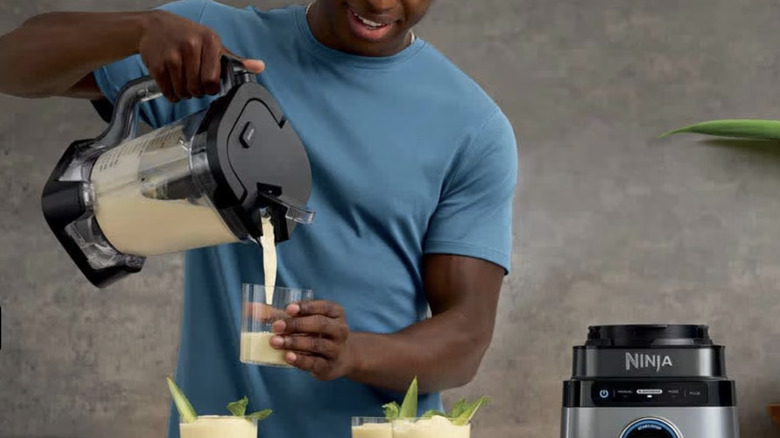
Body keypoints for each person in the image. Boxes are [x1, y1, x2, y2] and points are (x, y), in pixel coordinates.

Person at [0, 1, 518, 437]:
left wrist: (351, 352)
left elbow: (466, 339)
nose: (380, 2)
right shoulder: (213, 46)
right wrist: (140, 29)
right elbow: (12, 62)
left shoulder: (472, 127)